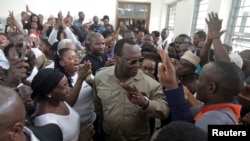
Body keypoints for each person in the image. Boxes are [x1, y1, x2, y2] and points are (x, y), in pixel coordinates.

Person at [93, 39, 169, 141]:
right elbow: (98, 108)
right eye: (132, 61)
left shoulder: (151, 84)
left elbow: (164, 111)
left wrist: (145, 103)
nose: (138, 65)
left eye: (140, 60)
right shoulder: (100, 77)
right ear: (117, 58)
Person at [157, 46, 244, 133]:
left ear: (211, 87)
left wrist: (173, 88)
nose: (196, 82)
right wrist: (173, 86)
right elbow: (185, 117)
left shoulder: (212, 120)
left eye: (199, 79)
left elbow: (186, 135)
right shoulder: (227, 108)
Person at [31, 68, 81, 141]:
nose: (69, 89)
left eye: (67, 84)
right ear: (49, 94)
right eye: (64, 86)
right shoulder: (47, 123)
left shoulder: (58, 100)